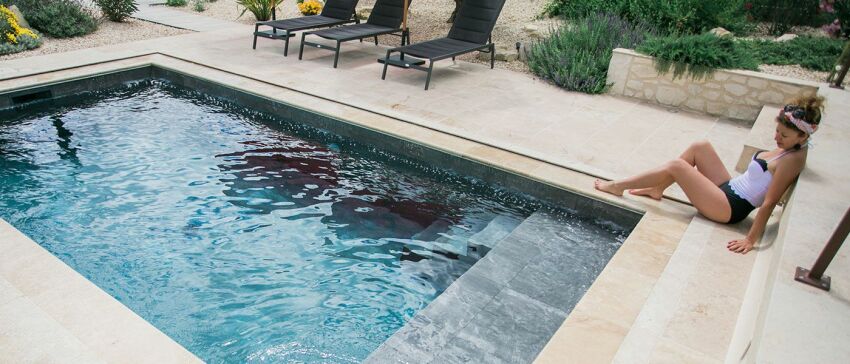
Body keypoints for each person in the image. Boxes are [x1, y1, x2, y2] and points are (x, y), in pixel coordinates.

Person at [594, 95, 825, 254]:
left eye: (783, 135)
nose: (777, 138)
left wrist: (750, 239)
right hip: (728, 189)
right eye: (777, 131)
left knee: (677, 166)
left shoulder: (791, 160)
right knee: (700, 146)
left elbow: (769, 202)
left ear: (803, 137)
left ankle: (618, 185)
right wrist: (784, 139)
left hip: (729, 209)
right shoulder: (791, 147)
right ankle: (658, 188)